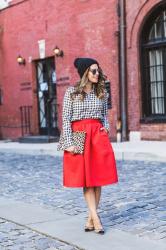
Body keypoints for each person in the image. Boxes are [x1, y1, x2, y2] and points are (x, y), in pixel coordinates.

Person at [60, 57, 118, 234]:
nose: (97, 73)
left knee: (98, 178)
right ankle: (96, 218)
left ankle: (91, 217)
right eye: (93, 70)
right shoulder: (71, 92)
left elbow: (104, 117)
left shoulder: (101, 92)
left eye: (98, 70)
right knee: (85, 179)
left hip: (97, 136)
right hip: (79, 134)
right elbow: (66, 119)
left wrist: (105, 129)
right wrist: (68, 143)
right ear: (85, 72)